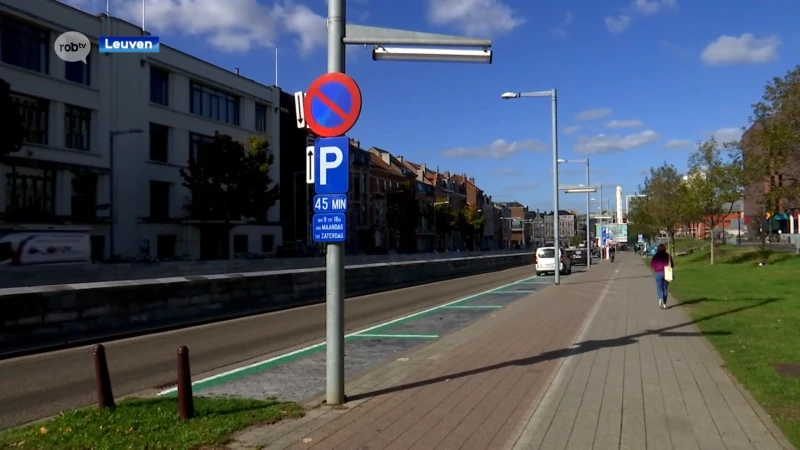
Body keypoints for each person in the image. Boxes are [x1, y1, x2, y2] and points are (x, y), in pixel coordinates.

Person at [650, 244, 674, 309]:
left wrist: (656, 268)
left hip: (658, 273)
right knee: (665, 288)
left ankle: (660, 298)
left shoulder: (656, 256)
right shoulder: (668, 256)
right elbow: (672, 264)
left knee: (659, 287)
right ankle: (664, 303)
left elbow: (652, 264)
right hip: (667, 272)